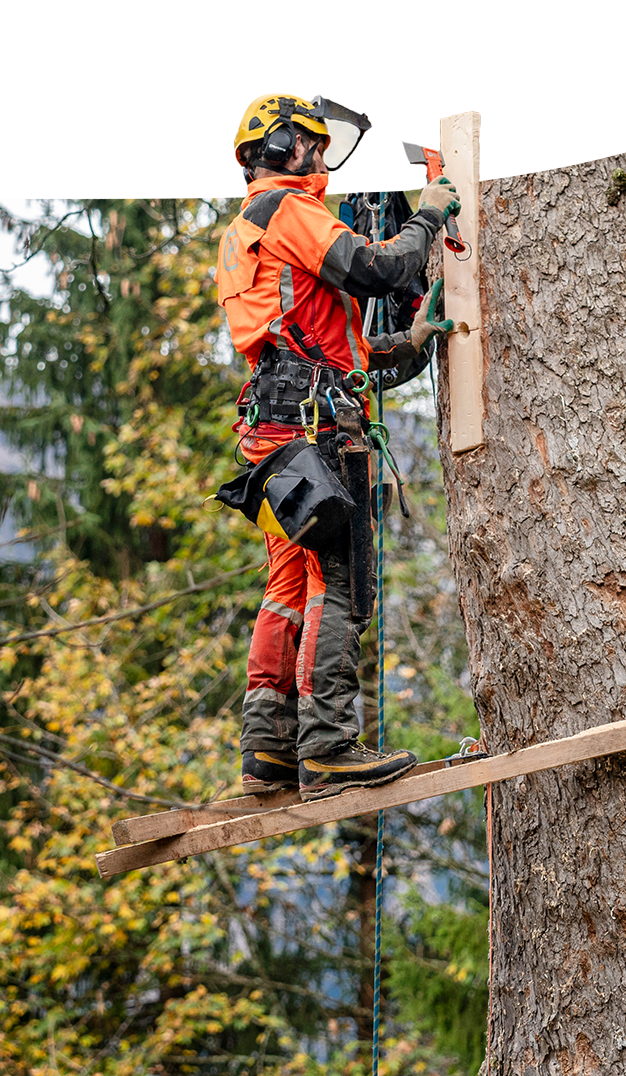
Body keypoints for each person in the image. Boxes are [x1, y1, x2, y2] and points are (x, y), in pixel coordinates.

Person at [215, 92, 460, 793]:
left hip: (276, 428)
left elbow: (322, 346)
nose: (322, 156)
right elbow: (379, 270)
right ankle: (326, 746)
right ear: (282, 147)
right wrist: (431, 211)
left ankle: (267, 749)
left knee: (288, 585)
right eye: (313, 144)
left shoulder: (249, 227)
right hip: (312, 433)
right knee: (338, 585)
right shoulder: (289, 211)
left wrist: (410, 344)